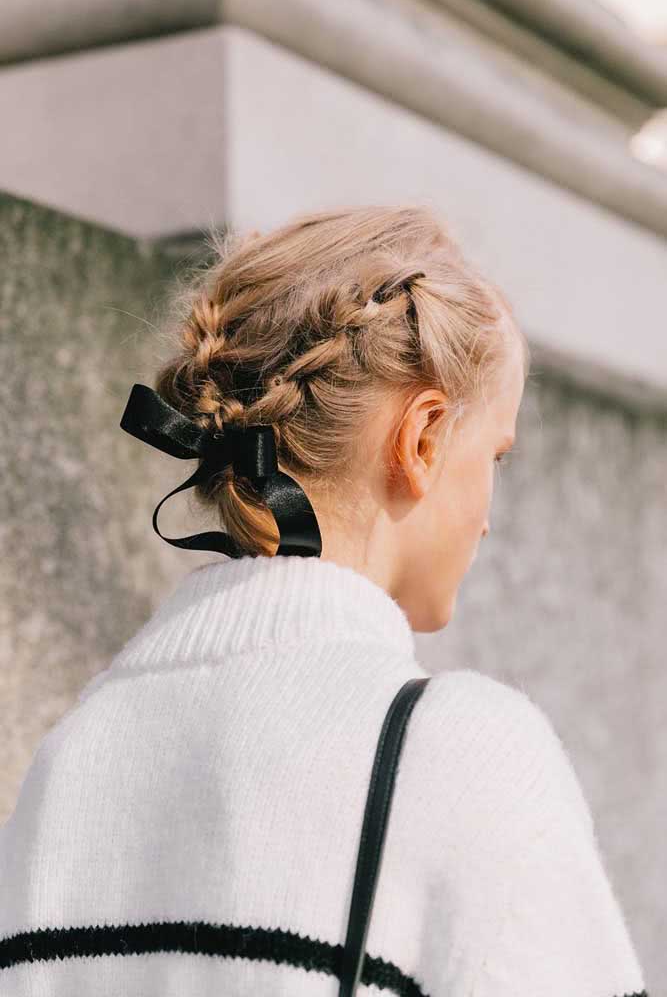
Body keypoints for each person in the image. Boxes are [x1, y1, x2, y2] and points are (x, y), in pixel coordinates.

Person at [0, 204, 647, 996]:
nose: (487, 516)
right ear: (421, 438)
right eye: (496, 456)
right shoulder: (454, 751)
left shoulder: (73, 755)